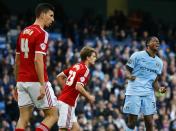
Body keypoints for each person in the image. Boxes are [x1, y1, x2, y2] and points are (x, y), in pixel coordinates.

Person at [14, 3, 58, 131]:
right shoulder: (42, 33)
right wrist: (43, 85)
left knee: (23, 119)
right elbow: (38, 60)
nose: (53, 19)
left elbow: (17, 62)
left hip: (22, 81)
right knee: (53, 115)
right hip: (36, 81)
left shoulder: (23, 32)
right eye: (51, 15)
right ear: (43, 15)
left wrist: (17, 84)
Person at [123, 36, 166, 131]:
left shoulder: (159, 62)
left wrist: (159, 89)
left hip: (148, 94)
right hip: (134, 91)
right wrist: (129, 76)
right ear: (148, 44)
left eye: (158, 42)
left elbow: (154, 81)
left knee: (150, 123)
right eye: (154, 41)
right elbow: (126, 71)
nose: (157, 43)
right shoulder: (137, 55)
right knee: (132, 123)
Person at [56, 46, 97, 131]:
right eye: (93, 56)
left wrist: (66, 89)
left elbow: (59, 76)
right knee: (63, 129)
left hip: (65, 101)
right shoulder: (85, 70)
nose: (95, 58)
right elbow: (78, 86)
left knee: (76, 129)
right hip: (67, 102)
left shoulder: (76, 66)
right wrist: (89, 97)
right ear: (88, 58)